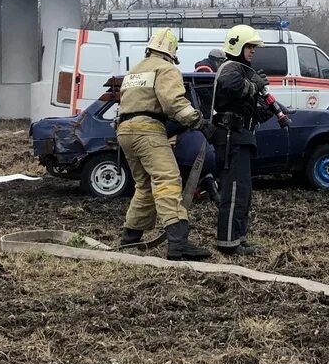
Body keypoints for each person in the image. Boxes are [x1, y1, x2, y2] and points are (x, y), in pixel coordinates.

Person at [115, 29, 214, 261]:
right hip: (148, 130)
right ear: (171, 51)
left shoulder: (135, 70)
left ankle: (130, 237)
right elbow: (173, 103)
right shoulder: (166, 68)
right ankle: (178, 244)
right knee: (168, 180)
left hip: (125, 130)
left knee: (145, 185)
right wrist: (199, 122)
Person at [210, 24, 290, 256]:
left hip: (241, 137)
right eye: (250, 46)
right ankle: (227, 243)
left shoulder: (242, 70)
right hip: (230, 137)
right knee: (234, 191)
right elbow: (232, 85)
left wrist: (273, 110)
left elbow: (251, 113)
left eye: (254, 47)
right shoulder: (230, 68)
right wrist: (255, 85)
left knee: (243, 191)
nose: (253, 51)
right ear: (237, 46)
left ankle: (238, 238)